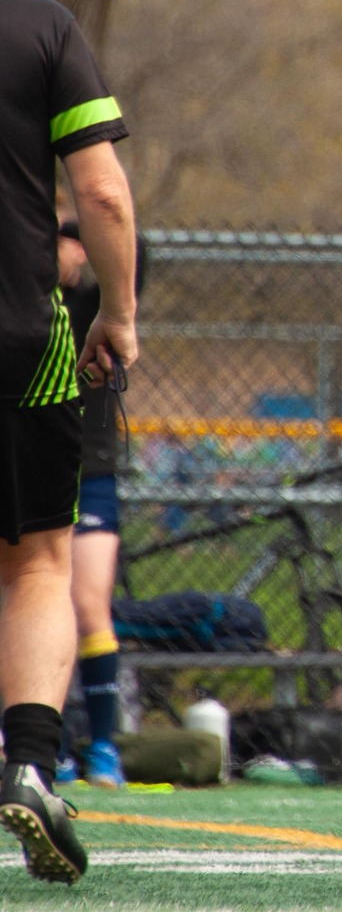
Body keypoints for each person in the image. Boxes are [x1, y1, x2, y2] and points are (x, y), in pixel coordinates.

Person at [0, 0, 138, 887]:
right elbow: (102, 192)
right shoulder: (40, 26)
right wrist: (117, 312)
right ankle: (31, 764)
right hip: (20, 333)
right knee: (38, 564)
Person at [55, 221, 148, 789]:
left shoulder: (92, 306)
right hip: (31, 467)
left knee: (90, 605)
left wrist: (82, 230)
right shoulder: (22, 307)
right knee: (35, 601)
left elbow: (137, 252)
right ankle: (47, 745)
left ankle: (104, 746)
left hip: (89, 472)